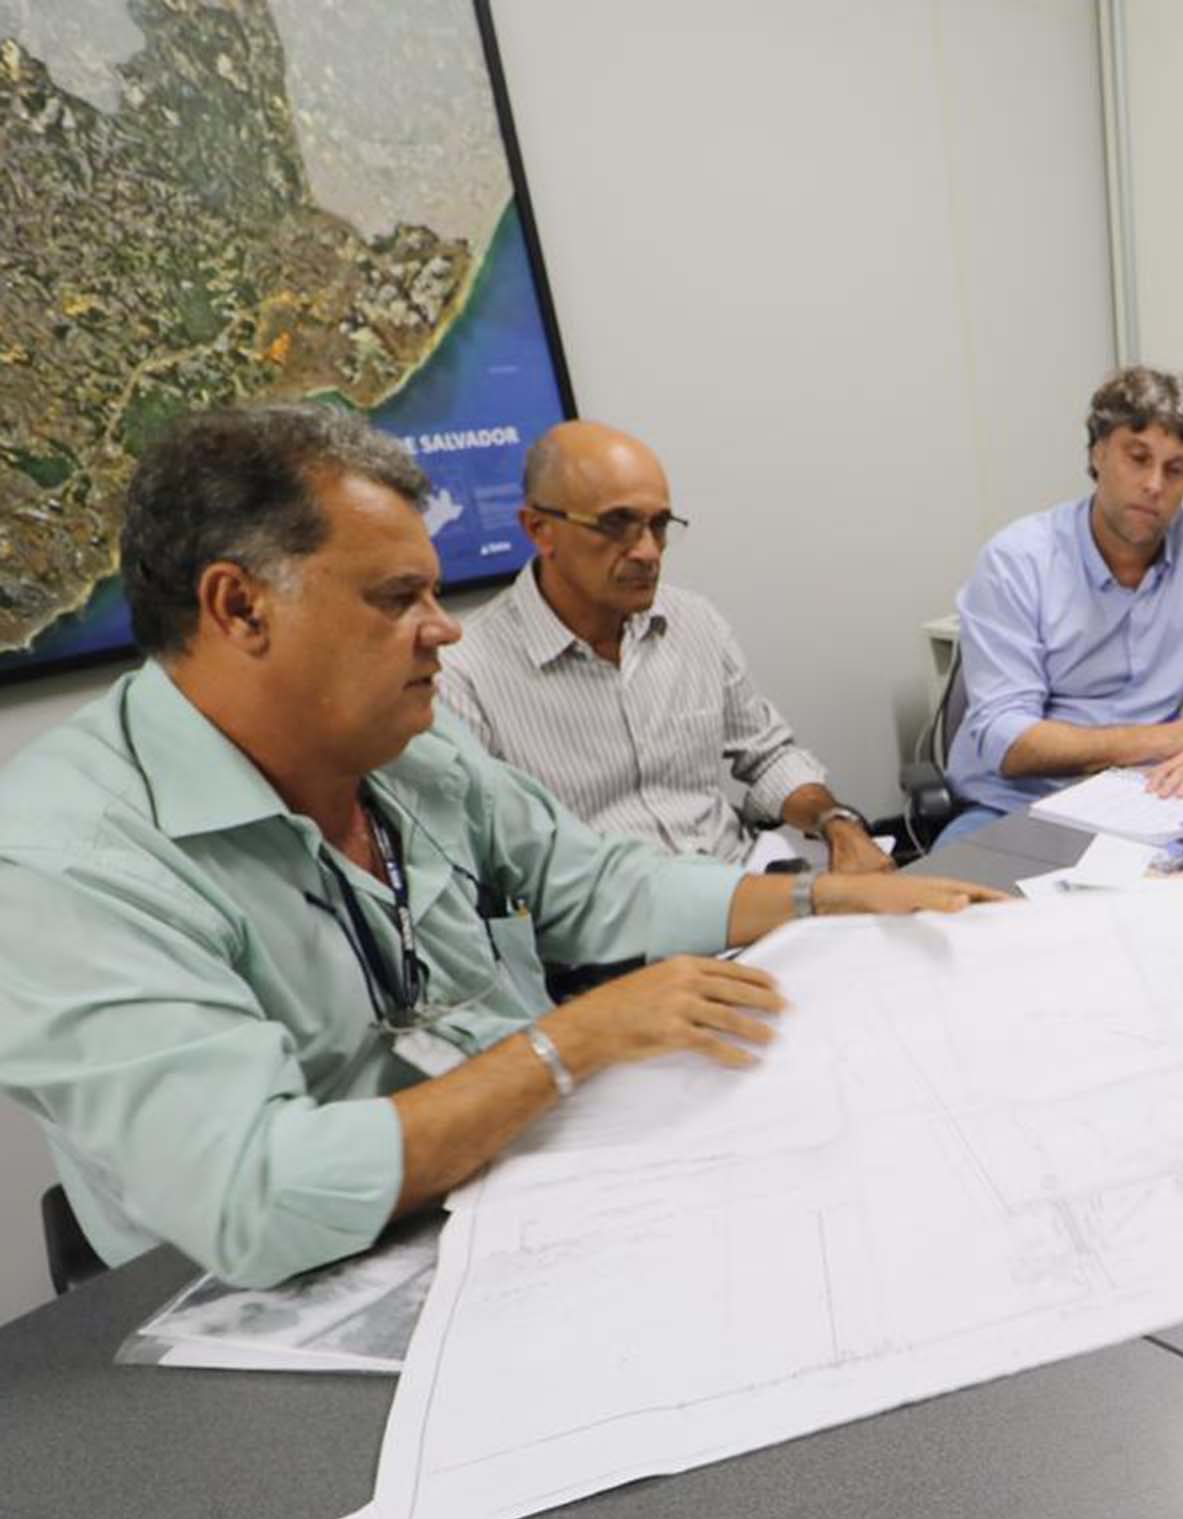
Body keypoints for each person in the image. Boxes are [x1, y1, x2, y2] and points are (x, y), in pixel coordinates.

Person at [0, 406, 999, 1289]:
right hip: (260, 1302)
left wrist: (824, 898)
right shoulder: (63, 862)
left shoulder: (410, 747)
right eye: (397, 599)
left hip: (508, 1180)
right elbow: (256, 1197)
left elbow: (590, 884)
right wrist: (573, 1041)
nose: (443, 632)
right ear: (240, 607)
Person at [438, 420, 890, 875]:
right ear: (539, 529)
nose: (649, 552)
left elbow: (769, 756)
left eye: (658, 525)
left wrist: (836, 824)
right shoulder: (464, 673)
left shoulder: (693, 621)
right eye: (616, 525)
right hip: (614, 912)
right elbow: (484, 857)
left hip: (746, 879)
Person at [941, 367, 1183, 840]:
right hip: (1014, 808)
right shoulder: (1018, 560)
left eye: (1176, 469)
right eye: (1138, 458)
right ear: (1098, 453)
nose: (1154, 485)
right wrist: (1170, 738)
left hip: (1150, 798)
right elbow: (1006, 740)